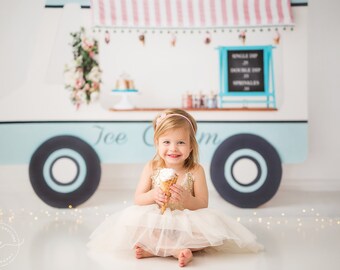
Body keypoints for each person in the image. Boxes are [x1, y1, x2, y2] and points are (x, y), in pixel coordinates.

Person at [88, 108, 263, 267]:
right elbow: (138, 198)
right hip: (158, 220)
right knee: (134, 226)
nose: (173, 148)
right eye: (166, 142)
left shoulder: (195, 170)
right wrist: (152, 195)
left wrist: (188, 199)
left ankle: (156, 249)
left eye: (180, 142)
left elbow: (202, 204)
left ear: (191, 146)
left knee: (211, 236)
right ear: (157, 143)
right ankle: (176, 251)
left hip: (184, 223)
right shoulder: (152, 167)